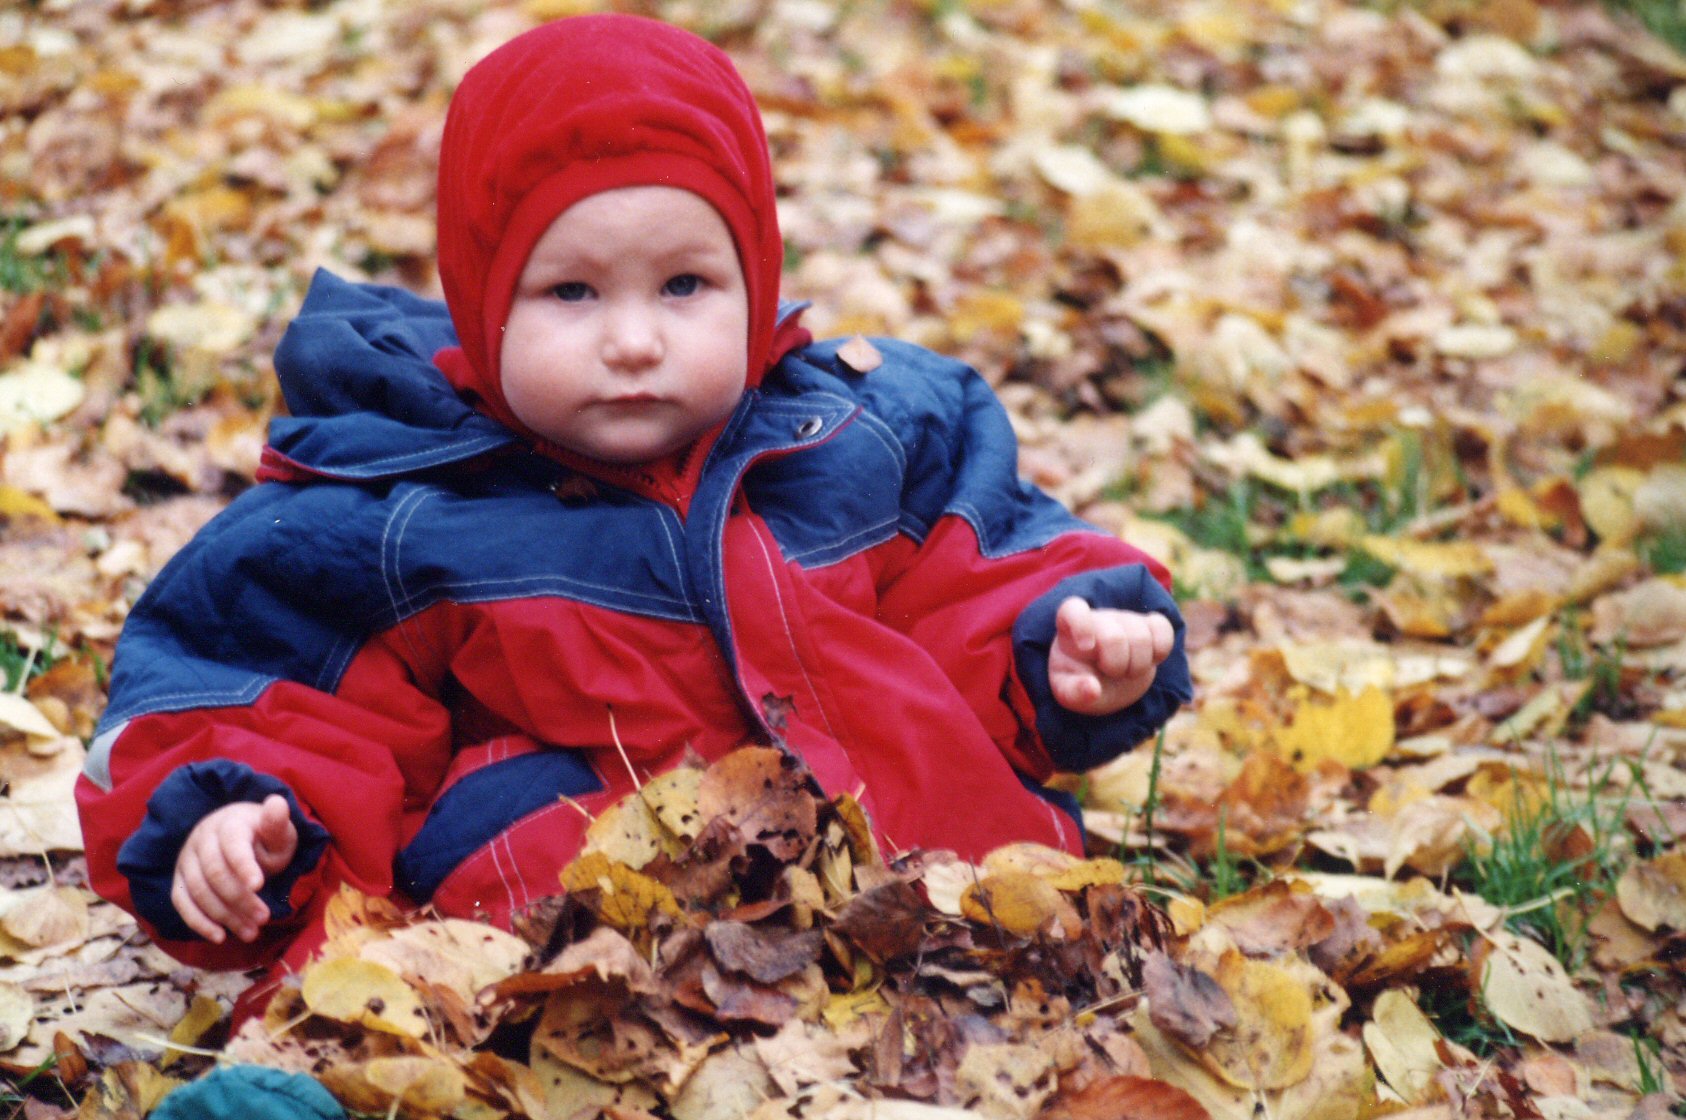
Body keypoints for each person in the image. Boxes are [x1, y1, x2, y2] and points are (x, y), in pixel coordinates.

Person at [76, 14, 1191, 993]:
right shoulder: (398, 511)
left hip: (933, 915)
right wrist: (232, 820)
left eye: (685, 286)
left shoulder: (866, 432)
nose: (635, 339)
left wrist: (1070, 646)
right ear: (485, 305)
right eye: (571, 292)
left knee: (1063, 998)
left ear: (755, 278)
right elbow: (272, 690)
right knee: (417, 1022)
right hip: (572, 974)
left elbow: (983, 572)